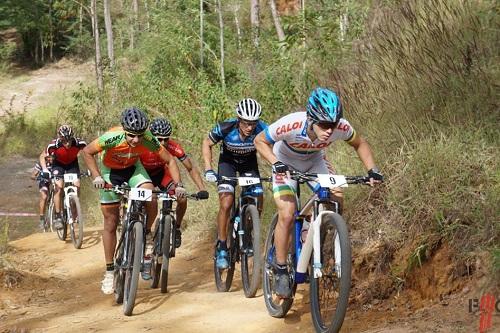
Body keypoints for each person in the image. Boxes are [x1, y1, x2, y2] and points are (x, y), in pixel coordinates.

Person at [254, 87, 384, 298]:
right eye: (324, 125)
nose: (330, 130)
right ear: (310, 118)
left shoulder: (341, 126)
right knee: (287, 212)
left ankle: (314, 233)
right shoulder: (291, 123)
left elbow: (359, 144)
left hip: (315, 161)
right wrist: (275, 163)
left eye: (333, 125)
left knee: (336, 195)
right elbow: (259, 140)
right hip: (284, 162)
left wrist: (373, 171)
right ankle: (280, 270)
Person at [81, 107, 186, 294]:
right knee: (111, 223)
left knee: (150, 194)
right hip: (110, 172)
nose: (136, 140)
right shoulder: (112, 137)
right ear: (124, 130)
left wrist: (178, 185)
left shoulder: (147, 139)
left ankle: (144, 233)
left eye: (139, 135)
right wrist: (96, 176)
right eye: (131, 135)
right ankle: (110, 272)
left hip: (133, 171)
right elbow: (87, 152)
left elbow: (170, 160)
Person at [202, 98, 268, 270]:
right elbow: (206, 143)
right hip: (227, 164)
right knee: (226, 202)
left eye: (253, 123)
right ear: (239, 120)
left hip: (249, 164)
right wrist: (209, 169)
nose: (250, 128)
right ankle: (222, 247)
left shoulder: (262, 128)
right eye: (246, 123)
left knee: (258, 197)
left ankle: (248, 231)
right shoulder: (226, 127)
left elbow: (276, 146)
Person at [140, 118, 209, 249]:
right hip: (143, 175)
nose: (163, 142)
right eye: (159, 139)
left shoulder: (173, 146)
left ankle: (176, 228)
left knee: (182, 198)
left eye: (166, 139)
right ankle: (140, 227)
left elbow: (190, 167)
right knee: (146, 199)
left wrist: (201, 188)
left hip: (162, 175)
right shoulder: (143, 144)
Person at [39, 125, 86, 230]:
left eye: (69, 140)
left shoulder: (79, 143)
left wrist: (91, 169)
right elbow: (43, 156)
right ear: (60, 139)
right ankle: (58, 216)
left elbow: (88, 153)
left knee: (77, 184)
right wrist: (45, 169)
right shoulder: (53, 145)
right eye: (64, 141)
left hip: (72, 164)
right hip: (58, 165)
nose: (67, 143)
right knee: (59, 186)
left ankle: (75, 210)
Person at [31, 155, 53, 231]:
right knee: (44, 196)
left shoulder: (58, 163)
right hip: (44, 182)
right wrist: (36, 177)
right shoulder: (41, 163)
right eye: (49, 157)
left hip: (55, 180)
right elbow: (33, 175)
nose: (50, 159)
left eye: (52, 157)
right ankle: (42, 219)